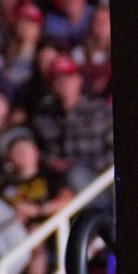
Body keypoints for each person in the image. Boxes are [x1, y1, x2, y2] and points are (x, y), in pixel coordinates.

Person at [27, 54, 114, 187]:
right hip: (54, 181)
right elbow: (36, 152)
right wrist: (51, 162)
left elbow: (112, 151)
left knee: (76, 174)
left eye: (69, 77)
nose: (64, 83)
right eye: (58, 79)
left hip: (95, 180)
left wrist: (79, 166)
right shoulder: (43, 117)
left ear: (79, 80)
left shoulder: (100, 111)